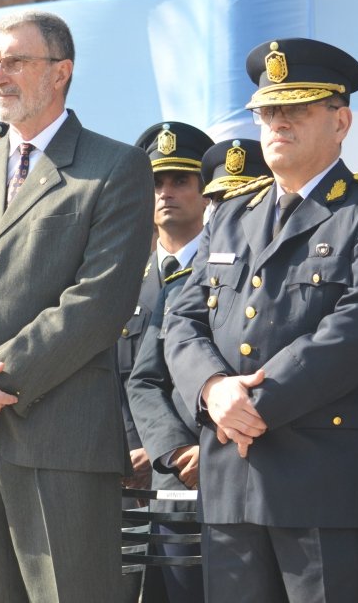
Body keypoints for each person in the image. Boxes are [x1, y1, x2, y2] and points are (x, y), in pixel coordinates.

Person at [0, 10, 154, 601]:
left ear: (60, 72)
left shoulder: (113, 167)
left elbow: (99, 300)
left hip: (58, 442)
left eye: (15, 61)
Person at [164, 38, 358, 602]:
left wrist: (252, 404)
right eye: (269, 111)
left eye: (297, 109)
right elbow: (180, 319)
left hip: (324, 483)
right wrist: (212, 389)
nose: (278, 123)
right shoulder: (228, 214)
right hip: (230, 482)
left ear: (340, 120)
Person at [127, 137, 273, 603]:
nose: (234, 210)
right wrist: (173, 449)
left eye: (180, 181)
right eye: (223, 199)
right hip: (183, 479)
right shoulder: (184, 284)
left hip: (279, 471)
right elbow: (145, 376)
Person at [120, 122, 214, 502]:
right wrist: (131, 449)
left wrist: (165, 448)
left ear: (206, 191)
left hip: (195, 469)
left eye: (180, 181)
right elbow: (117, 379)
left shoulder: (221, 272)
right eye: (157, 183)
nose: (165, 193)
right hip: (125, 475)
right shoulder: (120, 282)